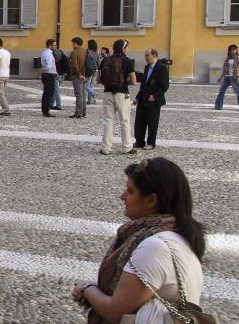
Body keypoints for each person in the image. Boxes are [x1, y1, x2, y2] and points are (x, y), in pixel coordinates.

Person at [72, 157, 205, 324]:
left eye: (130, 191)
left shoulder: (155, 247)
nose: (123, 196)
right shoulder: (178, 235)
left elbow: (116, 312)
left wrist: (87, 290)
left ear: (151, 200)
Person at [99, 39, 139, 155]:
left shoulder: (105, 60)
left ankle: (106, 148)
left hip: (107, 93)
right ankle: (127, 147)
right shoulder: (127, 61)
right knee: (124, 121)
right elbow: (134, 81)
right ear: (123, 49)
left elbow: (98, 79)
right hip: (122, 94)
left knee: (108, 120)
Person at [134, 49, 169, 151]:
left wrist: (155, 96)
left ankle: (151, 143)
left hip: (154, 101)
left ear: (154, 55)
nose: (145, 58)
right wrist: (137, 97)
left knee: (152, 123)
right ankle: (140, 141)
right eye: (145, 55)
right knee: (139, 122)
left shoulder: (161, 68)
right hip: (143, 99)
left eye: (147, 55)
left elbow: (165, 85)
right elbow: (143, 85)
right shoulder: (147, 67)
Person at [214, 44, 239, 110]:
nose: (232, 51)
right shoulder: (228, 58)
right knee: (221, 91)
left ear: (236, 50)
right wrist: (221, 77)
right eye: (231, 50)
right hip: (226, 77)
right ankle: (218, 106)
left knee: (237, 91)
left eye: (234, 49)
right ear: (229, 51)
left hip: (234, 77)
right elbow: (225, 69)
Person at [68, 37, 89, 119]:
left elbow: (75, 65)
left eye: (73, 43)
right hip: (85, 74)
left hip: (77, 76)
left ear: (75, 43)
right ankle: (83, 112)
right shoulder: (85, 51)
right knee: (83, 94)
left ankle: (79, 112)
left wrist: (79, 74)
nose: (72, 45)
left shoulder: (74, 52)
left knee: (78, 95)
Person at [39, 39, 60, 117]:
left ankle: (45, 109)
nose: (55, 46)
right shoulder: (48, 54)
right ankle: (46, 111)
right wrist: (42, 70)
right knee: (48, 93)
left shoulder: (48, 53)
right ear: (50, 45)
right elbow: (48, 66)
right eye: (54, 45)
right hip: (48, 75)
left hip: (49, 74)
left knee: (48, 93)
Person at [86, 40, 102, 105]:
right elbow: (99, 62)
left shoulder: (87, 52)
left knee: (86, 85)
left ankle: (93, 94)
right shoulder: (97, 53)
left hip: (89, 70)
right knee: (91, 86)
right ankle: (90, 100)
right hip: (96, 70)